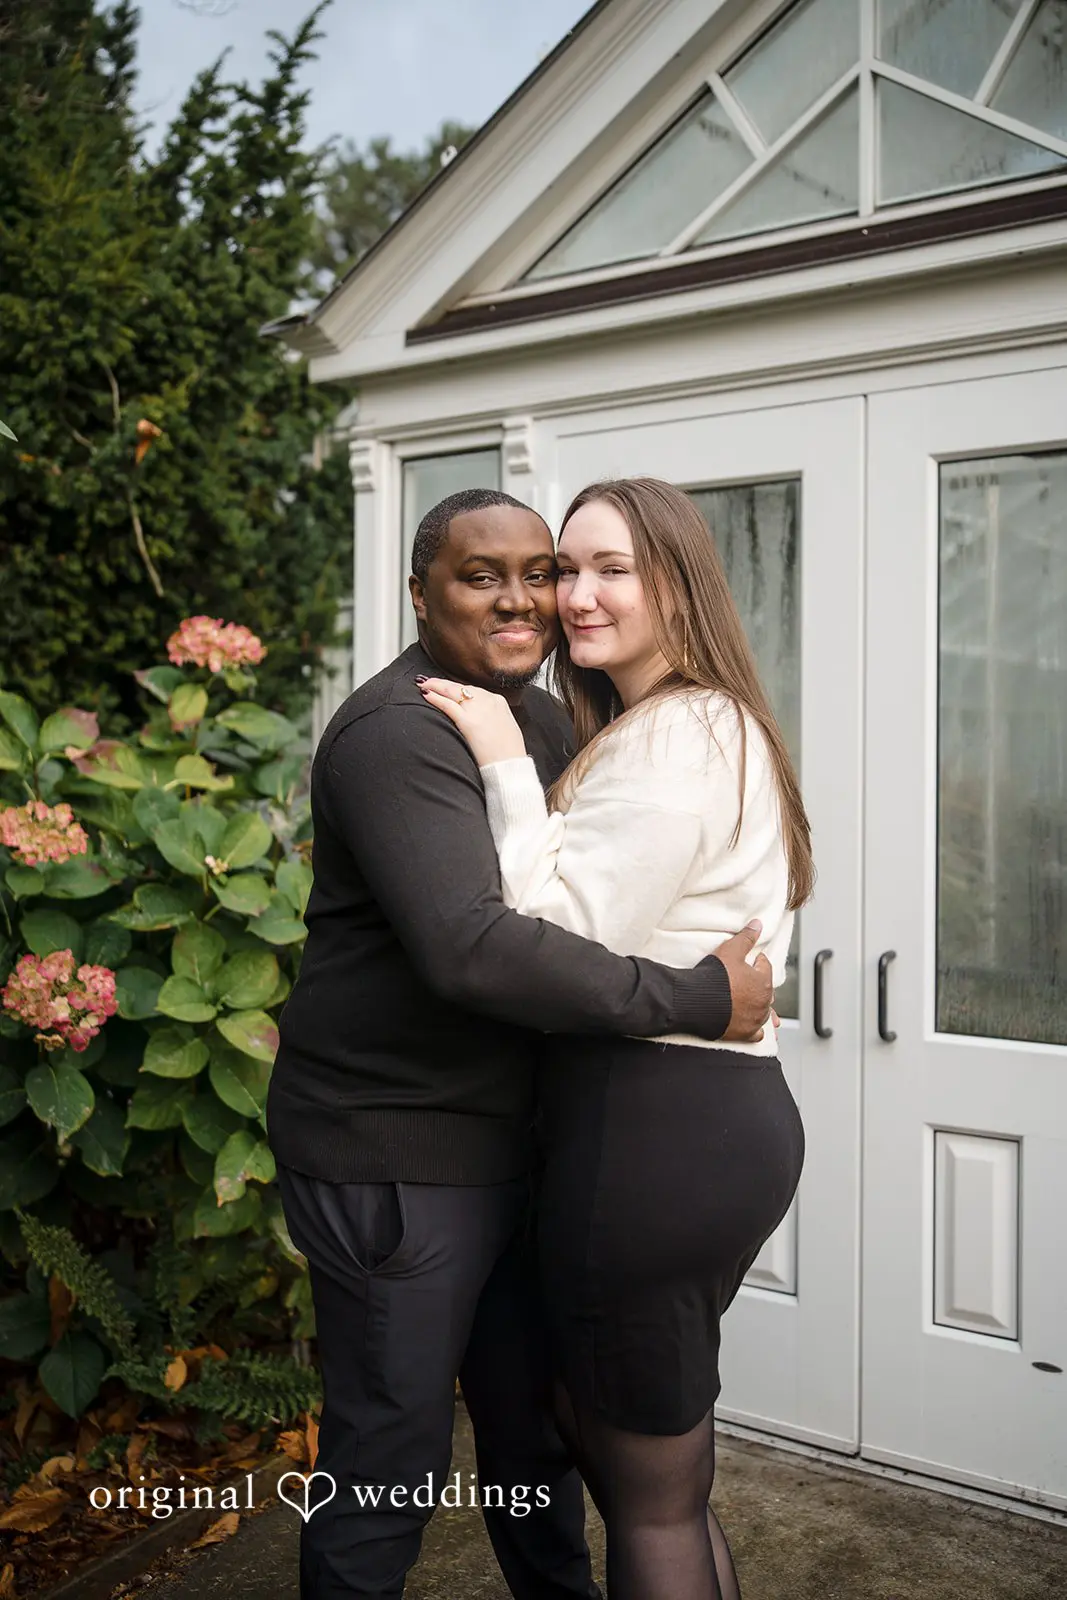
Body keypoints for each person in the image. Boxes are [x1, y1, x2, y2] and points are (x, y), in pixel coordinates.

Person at [265, 487, 777, 1600]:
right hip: (396, 1150)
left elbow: (620, 880)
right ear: (418, 594)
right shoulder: (400, 732)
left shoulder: (545, 722)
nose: (523, 598)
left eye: (538, 573)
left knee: (534, 1442)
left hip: (520, 1151)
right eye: (479, 576)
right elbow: (474, 951)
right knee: (388, 1463)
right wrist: (698, 997)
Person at [417, 477, 810, 1600]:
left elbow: (554, 940)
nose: (574, 597)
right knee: (649, 1469)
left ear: (677, 585)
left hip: (651, 1133)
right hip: (697, 1124)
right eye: (565, 571)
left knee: (652, 1501)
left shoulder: (681, 732)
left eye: (611, 570)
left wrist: (501, 756)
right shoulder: (684, 724)